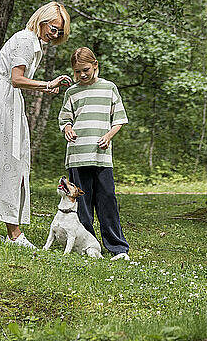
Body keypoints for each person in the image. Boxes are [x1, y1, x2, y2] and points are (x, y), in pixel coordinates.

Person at [0, 1, 72, 249]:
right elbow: (16, 79)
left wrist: (46, 87)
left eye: (58, 32)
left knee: (10, 164)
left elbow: (19, 82)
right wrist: (46, 84)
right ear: (42, 20)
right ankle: (14, 233)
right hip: (2, 106)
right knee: (11, 165)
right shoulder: (25, 40)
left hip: (9, 105)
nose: (54, 35)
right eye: (53, 28)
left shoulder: (33, 44)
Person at [58, 47, 130, 261]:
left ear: (95, 65)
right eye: (77, 71)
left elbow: (119, 119)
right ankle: (87, 246)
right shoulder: (72, 92)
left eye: (86, 70)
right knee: (83, 204)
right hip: (77, 155)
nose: (82, 75)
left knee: (107, 199)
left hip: (101, 156)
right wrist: (68, 128)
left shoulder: (109, 88)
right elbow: (64, 119)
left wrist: (108, 136)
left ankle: (118, 248)